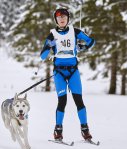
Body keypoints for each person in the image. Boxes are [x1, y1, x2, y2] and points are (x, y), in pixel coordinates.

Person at [40, 8, 95, 141]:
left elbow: (91, 41)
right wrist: (49, 46)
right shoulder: (52, 34)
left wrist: (82, 47)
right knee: (62, 101)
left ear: (68, 19)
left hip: (73, 72)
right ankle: (58, 130)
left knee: (79, 101)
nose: (62, 19)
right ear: (56, 20)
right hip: (59, 73)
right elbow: (43, 56)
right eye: (59, 18)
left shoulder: (74, 31)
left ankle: (85, 130)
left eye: (64, 17)